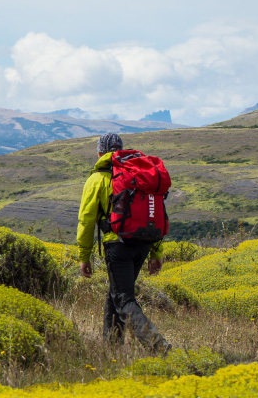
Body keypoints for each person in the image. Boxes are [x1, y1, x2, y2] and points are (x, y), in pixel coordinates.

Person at [77, 132, 171, 353]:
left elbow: (86, 220)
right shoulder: (138, 176)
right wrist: (156, 252)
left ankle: (158, 345)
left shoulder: (97, 179)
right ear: (120, 150)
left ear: (99, 152)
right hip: (143, 244)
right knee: (116, 293)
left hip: (117, 245)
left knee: (124, 299)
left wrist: (84, 256)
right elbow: (156, 214)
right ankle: (112, 348)